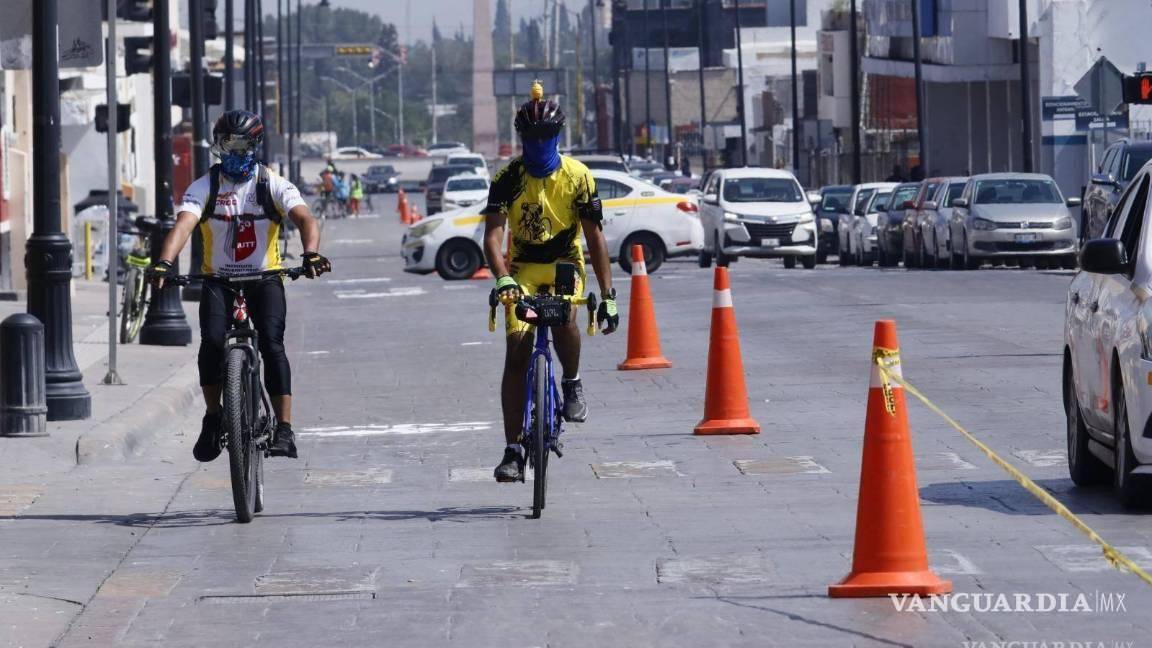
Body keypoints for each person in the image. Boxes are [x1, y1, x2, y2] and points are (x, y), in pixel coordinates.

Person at [147, 110, 331, 463]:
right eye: (226, 144)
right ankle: (214, 417)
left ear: (255, 145)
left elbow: (305, 218)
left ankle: (284, 429)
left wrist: (311, 254)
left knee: (273, 345)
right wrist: (164, 262)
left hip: (265, 277)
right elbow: (184, 225)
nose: (234, 151)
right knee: (212, 343)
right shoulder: (205, 186)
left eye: (242, 144)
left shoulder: (272, 184)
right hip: (219, 280)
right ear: (217, 146)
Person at [482, 82, 619, 483]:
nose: (539, 143)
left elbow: (595, 239)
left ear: (556, 137)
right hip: (523, 267)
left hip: (564, 263)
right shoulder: (507, 177)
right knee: (517, 352)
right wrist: (504, 277)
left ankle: (572, 382)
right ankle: (512, 449)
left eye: (546, 137)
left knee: (566, 318)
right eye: (531, 137)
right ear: (521, 139)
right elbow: (491, 239)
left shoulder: (579, 177)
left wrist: (608, 296)